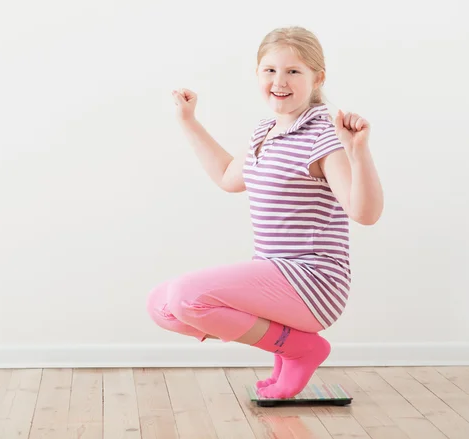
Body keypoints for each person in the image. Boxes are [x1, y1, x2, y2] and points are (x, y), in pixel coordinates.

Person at [146, 26, 383, 399]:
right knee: (161, 306)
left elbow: (364, 213)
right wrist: (188, 121)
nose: (279, 81)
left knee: (186, 299)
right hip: (273, 273)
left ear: (317, 78)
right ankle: (288, 346)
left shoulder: (324, 136)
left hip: (313, 282)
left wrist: (358, 151)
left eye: (293, 71)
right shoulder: (265, 131)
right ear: (257, 74)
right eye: (269, 70)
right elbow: (228, 177)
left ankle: (301, 349)